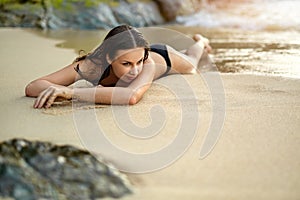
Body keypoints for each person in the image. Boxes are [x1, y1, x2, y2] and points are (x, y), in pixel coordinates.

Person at [25, 25, 212, 108]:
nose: (136, 70)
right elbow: (33, 86)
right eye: (126, 64)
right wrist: (56, 87)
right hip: (142, 51)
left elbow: (131, 96)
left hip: (164, 56)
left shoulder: (148, 63)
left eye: (138, 63)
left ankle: (202, 42)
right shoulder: (91, 66)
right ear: (108, 57)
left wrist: (70, 93)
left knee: (192, 62)